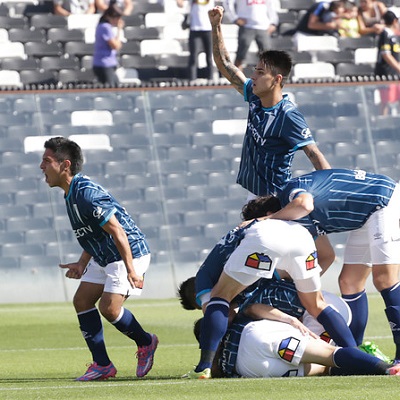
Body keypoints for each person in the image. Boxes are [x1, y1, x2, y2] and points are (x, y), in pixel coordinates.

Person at [182, 198, 357, 379]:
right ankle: (356, 354)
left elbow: (220, 317)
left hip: (265, 249)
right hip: (308, 250)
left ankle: (204, 366)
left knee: (220, 300)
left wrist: (215, 352)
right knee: (316, 304)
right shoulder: (293, 229)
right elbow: (326, 255)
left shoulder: (206, 277)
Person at [39, 137, 158, 381]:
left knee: (109, 307)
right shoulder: (71, 194)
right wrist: (82, 263)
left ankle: (146, 342)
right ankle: (102, 365)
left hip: (128, 252)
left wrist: (131, 271)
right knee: (82, 300)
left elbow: (118, 231)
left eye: (47, 161)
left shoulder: (86, 194)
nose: (41, 167)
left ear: (65, 165)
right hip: (105, 253)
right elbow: (95, 232)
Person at [266, 168, 400, 362]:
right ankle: (356, 353)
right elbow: (326, 255)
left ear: (272, 212)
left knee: (384, 279)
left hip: (383, 200)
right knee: (349, 282)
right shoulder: (295, 217)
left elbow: (305, 203)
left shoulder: (291, 196)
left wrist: (265, 220)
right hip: (369, 213)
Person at [196, 304, 400, 378]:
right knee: (329, 355)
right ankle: (387, 368)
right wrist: (290, 319)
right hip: (257, 336)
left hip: (250, 368)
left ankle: (367, 362)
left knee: (323, 368)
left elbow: (216, 371)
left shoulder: (214, 363)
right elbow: (253, 308)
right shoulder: (236, 317)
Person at [222, 0, 279, 71]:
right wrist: (234, 19)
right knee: (241, 55)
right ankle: (237, 78)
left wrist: (273, 22)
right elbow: (227, 3)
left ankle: (266, 79)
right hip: (246, 26)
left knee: (268, 56)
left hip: (263, 26)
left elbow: (271, 5)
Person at [177, 0, 215, 82]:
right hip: (195, 29)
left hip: (208, 28)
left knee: (209, 56)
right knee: (193, 56)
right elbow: (180, 3)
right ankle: (192, 79)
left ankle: (211, 78)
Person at [375, 10, 400, 116]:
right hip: (386, 73)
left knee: (396, 99)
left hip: (395, 73)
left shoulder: (395, 36)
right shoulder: (385, 34)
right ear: (395, 21)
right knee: (385, 100)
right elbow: (386, 54)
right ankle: (384, 122)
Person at [92, 3, 125, 86]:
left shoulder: (105, 27)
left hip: (109, 63)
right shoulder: (105, 27)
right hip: (104, 64)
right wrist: (119, 30)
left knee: (116, 85)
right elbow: (115, 46)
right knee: (111, 88)